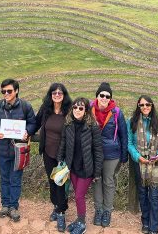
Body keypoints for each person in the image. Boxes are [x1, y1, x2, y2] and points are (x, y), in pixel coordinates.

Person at [0, 78, 37, 222]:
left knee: (15, 179)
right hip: (3, 149)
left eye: (9, 91)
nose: (6, 93)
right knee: (4, 178)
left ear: (16, 91)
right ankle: (5, 205)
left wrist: (27, 132)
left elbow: (33, 122)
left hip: (19, 150)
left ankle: (13, 206)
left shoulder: (25, 106)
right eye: (3, 91)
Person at [57, 97, 103, 234]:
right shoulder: (68, 124)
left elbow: (98, 150)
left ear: (86, 111)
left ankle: (82, 224)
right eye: (75, 107)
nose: (77, 110)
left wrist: (97, 172)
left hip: (87, 168)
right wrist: (60, 158)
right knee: (78, 195)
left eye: (81, 108)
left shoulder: (92, 126)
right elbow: (63, 143)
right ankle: (79, 219)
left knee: (78, 196)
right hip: (72, 167)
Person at [127, 95, 158, 234]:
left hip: (156, 163)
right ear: (138, 106)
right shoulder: (132, 121)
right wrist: (137, 157)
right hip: (139, 162)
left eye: (148, 105)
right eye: (142, 105)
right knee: (142, 193)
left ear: (152, 106)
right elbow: (129, 143)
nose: (145, 107)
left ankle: (154, 227)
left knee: (153, 195)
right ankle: (145, 222)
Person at [91, 82, 128, 227]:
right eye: (102, 95)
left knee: (108, 181)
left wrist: (124, 155)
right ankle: (98, 210)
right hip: (94, 152)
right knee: (96, 181)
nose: (104, 98)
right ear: (97, 96)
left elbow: (123, 134)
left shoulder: (117, 112)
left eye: (108, 96)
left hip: (112, 153)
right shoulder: (89, 109)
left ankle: (107, 211)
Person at [36, 83, 72, 232]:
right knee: (52, 182)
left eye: (60, 93)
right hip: (48, 152)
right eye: (54, 93)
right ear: (50, 95)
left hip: (62, 155)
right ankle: (56, 207)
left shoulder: (69, 111)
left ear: (64, 95)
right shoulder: (45, 110)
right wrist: (25, 132)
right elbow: (35, 123)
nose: (57, 95)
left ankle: (62, 213)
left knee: (61, 183)